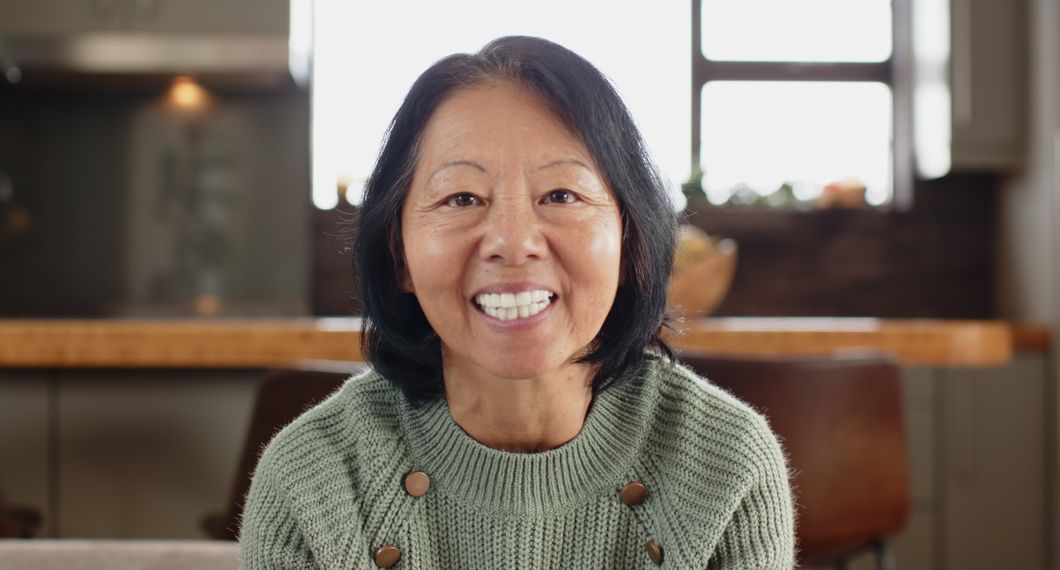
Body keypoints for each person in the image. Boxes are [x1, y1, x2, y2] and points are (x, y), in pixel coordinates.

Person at [239, 36, 794, 569]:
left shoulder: (727, 465)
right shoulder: (312, 483)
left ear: (630, 243)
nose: (513, 242)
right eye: (462, 198)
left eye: (560, 195)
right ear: (400, 254)